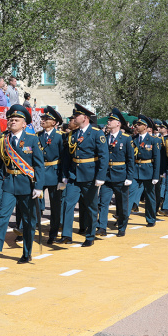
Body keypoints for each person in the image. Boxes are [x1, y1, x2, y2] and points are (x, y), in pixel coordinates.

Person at [0, 104, 44, 264]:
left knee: (28, 219)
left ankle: (27, 252)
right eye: (10, 119)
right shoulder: (4, 138)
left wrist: (38, 187)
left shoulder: (32, 139)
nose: (12, 122)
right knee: (1, 217)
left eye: (16, 120)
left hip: (27, 184)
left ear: (24, 124)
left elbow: (39, 165)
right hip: (8, 183)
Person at [58, 104, 108, 246]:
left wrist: (100, 176)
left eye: (76, 116)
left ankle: (90, 235)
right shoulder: (72, 135)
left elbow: (104, 156)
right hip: (74, 175)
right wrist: (65, 174)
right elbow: (67, 156)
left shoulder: (97, 133)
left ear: (84, 118)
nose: (73, 119)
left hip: (90, 175)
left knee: (91, 206)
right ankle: (67, 235)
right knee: (68, 203)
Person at [97, 109, 134, 237]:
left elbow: (130, 159)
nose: (109, 122)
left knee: (122, 204)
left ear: (118, 123)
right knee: (103, 202)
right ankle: (102, 227)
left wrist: (129, 176)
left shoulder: (126, 138)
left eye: (111, 120)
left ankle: (122, 226)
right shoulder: (104, 138)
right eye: (109, 120)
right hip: (107, 176)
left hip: (121, 176)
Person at [128, 115, 162, 228]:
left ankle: (151, 218)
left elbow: (157, 159)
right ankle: (123, 217)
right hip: (135, 170)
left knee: (149, 196)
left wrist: (156, 175)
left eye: (139, 125)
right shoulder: (133, 139)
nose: (136, 126)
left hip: (148, 170)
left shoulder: (153, 140)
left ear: (145, 126)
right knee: (130, 193)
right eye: (136, 125)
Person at [39, 107, 65, 244]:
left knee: (55, 207)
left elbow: (64, 158)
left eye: (46, 119)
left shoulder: (60, 137)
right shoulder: (38, 136)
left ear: (54, 123)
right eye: (42, 118)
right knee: (35, 204)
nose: (42, 120)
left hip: (54, 173)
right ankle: (30, 230)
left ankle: (53, 233)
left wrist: (63, 178)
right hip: (40, 174)